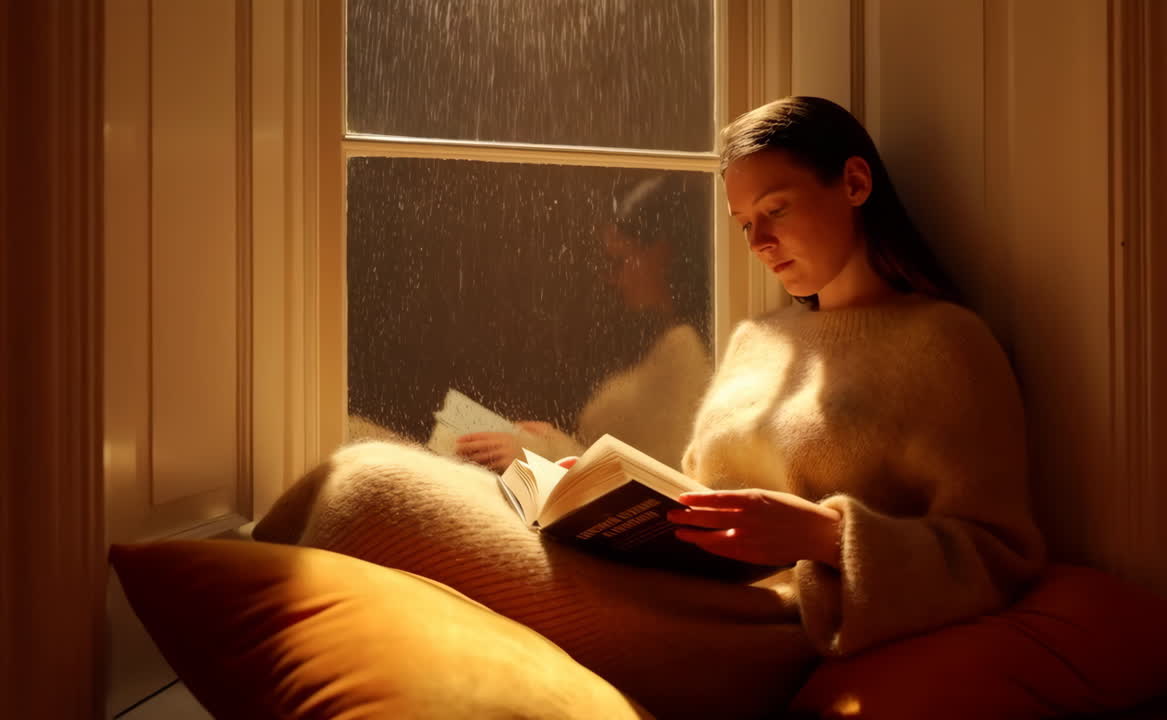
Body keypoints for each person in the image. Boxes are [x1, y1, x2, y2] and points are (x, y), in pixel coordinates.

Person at [254, 96, 1045, 720]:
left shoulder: (947, 345)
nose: (759, 242)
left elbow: (997, 553)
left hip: (768, 632)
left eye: (775, 209)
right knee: (357, 467)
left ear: (855, 183)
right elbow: (701, 494)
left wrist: (825, 535)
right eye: (743, 224)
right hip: (687, 588)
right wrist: (588, 483)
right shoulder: (761, 340)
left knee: (370, 499)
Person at [455, 175, 713, 471]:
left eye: (619, 261)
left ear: (660, 255)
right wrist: (550, 441)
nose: (611, 279)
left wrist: (544, 451)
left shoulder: (686, 351)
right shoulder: (662, 340)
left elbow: (653, 479)